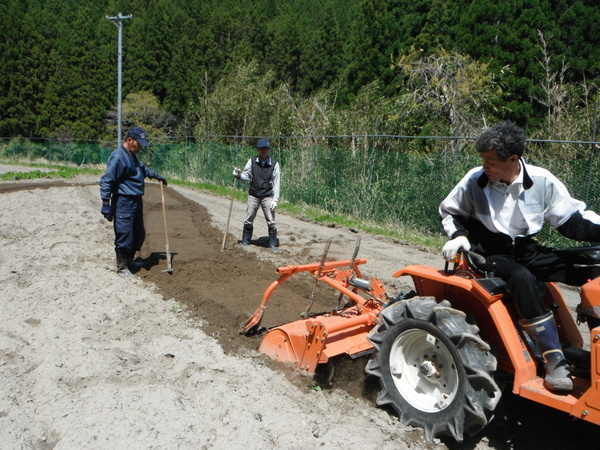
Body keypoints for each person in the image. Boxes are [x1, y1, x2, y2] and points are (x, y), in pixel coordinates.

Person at [439, 121, 600, 392]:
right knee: (521, 277)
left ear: (513, 159)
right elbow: (451, 211)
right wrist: (459, 237)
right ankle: (554, 358)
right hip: (488, 253)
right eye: (483, 160)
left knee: (593, 262)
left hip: (526, 250)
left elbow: (573, 220)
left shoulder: (542, 181)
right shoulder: (474, 181)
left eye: (491, 161)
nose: (485, 166)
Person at [100, 126, 168, 277]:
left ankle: (130, 260)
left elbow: (142, 169)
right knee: (125, 234)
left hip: (136, 200)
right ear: (129, 140)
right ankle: (122, 267)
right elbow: (107, 180)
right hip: (123, 201)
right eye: (139, 144)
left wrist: (156, 176)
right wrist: (106, 203)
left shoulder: (133, 155)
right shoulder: (118, 157)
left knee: (138, 234)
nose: (141, 148)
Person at [233, 138, 281, 253]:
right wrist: (239, 176)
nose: (263, 151)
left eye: (265, 148)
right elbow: (246, 176)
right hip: (253, 195)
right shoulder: (252, 161)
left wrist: (275, 199)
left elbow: (276, 183)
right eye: (261, 148)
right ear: (258, 150)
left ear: (269, 149)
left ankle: (273, 243)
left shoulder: (274, 164)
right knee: (248, 219)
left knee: (271, 221)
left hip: (267, 196)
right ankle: (245, 241)